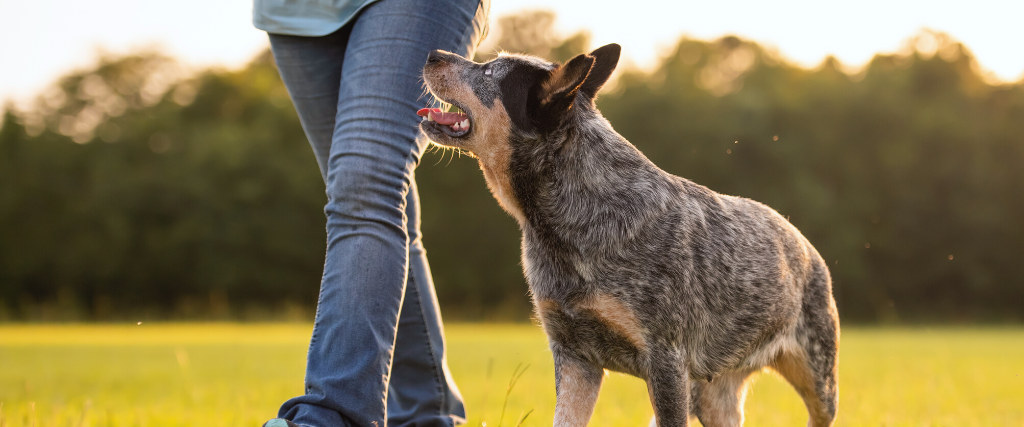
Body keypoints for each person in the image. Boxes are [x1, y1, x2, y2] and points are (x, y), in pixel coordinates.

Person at [252, 1, 489, 427]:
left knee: (366, 184)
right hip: (297, 11)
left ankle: (331, 416)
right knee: (365, 196)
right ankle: (426, 417)